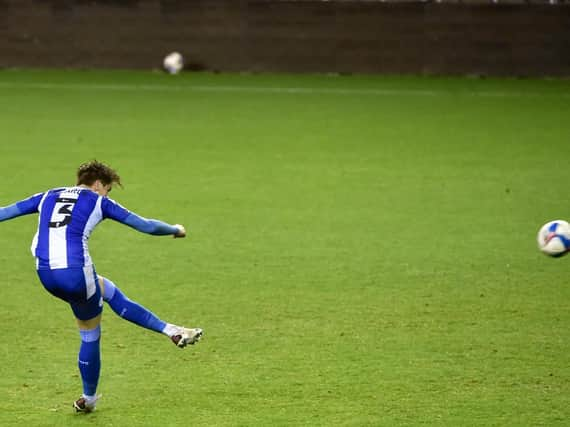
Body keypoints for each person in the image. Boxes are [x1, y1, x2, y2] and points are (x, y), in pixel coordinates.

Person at [0, 160, 203, 413]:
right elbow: (146, 226)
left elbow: (3, 212)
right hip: (75, 273)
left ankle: (169, 328)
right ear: (98, 184)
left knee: (105, 288)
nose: (107, 194)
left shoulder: (47, 195)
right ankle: (91, 397)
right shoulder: (99, 201)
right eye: (108, 189)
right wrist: (175, 229)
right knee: (90, 332)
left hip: (45, 274)